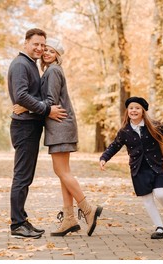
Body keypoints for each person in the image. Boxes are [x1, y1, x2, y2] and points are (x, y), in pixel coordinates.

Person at [13, 38, 102, 237]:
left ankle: (88, 209)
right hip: (60, 127)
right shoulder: (50, 71)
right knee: (64, 173)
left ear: (57, 56)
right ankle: (69, 219)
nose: (46, 53)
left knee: (61, 172)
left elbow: (51, 102)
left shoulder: (52, 71)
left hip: (60, 126)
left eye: (51, 51)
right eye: (45, 49)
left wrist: (26, 105)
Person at [99, 97, 163, 239]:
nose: (134, 110)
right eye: (131, 108)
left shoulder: (153, 126)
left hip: (155, 167)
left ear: (143, 111)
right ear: (127, 111)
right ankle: (159, 228)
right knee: (147, 200)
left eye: (137, 108)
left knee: (161, 194)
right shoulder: (125, 131)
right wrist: (104, 158)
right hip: (138, 170)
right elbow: (115, 145)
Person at [8, 28, 67, 239]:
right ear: (25, 43)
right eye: (36, 44)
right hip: (23, 127)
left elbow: (30, 97)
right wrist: (46, 109)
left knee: (26, 176)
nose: (40, 48)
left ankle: (22, 220)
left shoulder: (30, 64)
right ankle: (17, 225)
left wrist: (33, 107)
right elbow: (21, 95)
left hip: (30, 125)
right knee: (22, 177)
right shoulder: (20, 65)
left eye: (43, 45)